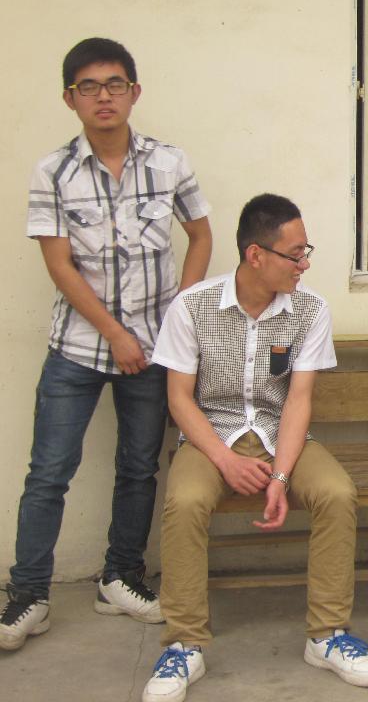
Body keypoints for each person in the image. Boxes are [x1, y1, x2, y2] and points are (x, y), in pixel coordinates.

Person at [1, 38, 213, 652]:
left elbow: (200, 235)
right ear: (70, 98)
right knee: (49, 473)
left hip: (152, 350)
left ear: (134, 92)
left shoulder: (168, 163)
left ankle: (120, 578)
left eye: (115, 84)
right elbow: (60, 265)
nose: (103, 97)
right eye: (88, 87)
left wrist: (179, 312)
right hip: (76, 349)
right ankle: (29, 594)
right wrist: (116, 334)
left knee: (138, 468)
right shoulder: (53, 171)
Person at [141, 195, 368, 702]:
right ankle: (185, 643)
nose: (305, 264)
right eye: (295, 254)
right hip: (212, 435)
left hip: (282, 434)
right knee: (184, 501)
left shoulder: (310, 309)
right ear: (256, 255)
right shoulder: (192, 307)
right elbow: (179, 400)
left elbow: (299, 400)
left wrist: (280, 476)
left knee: (337, 493)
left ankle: (326, 635)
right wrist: (226, 460)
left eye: (305, 252)